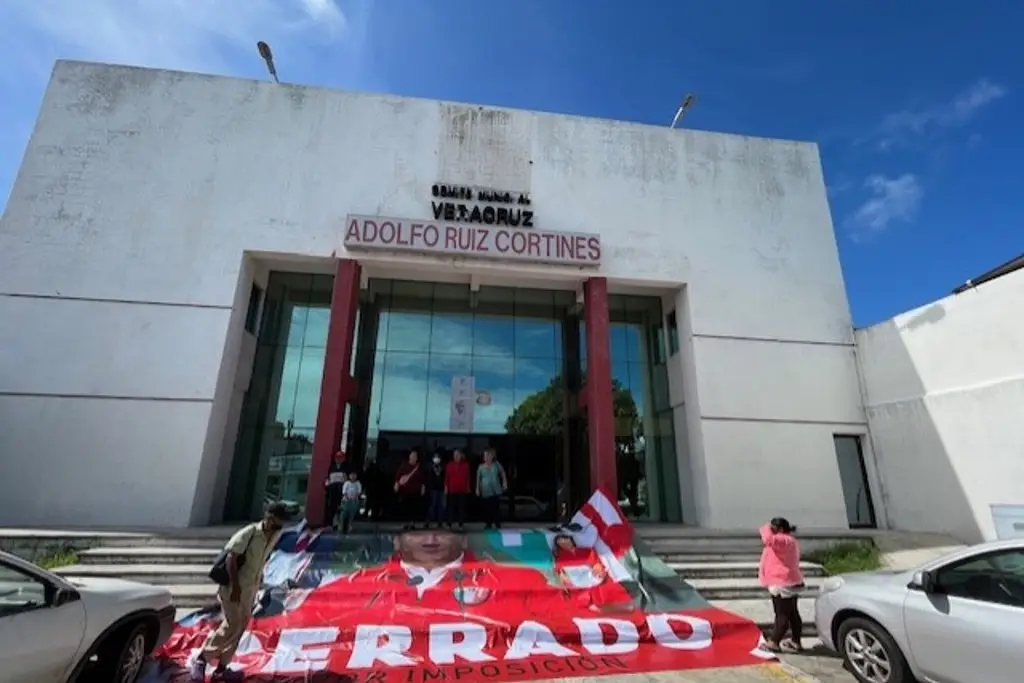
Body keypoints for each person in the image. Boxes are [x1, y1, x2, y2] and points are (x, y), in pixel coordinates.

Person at [190, 502, 290, 681]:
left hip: (250, 589)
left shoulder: (274, 535)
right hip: (233, 588)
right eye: (278, 519)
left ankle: (222, 668)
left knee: (241, 626)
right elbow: (231, 558)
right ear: (269, 517)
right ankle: (201, 659)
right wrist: (235, 587)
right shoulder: (250, 532)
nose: (281, 524)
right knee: (231, 625)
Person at [758, 516, 805, 653]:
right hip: (789, 581)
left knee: (782, 614)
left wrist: (766, 526)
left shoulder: (783, 540)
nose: (770, 531)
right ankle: (796, 641)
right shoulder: (788, 541)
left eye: (773, 529)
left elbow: (767, 539)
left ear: (779, 529)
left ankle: (774, 642)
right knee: (792, 614)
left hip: (782, 583)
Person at [476, 448, 507, 530]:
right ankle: (488, 523)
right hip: (486, 491)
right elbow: (478, 478)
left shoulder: (496, 464)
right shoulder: (481, 467)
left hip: (495, 490)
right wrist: (477, 489)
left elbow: (502, 473)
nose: (485, 457)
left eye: (487, 455)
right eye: (484, 456)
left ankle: (497, 523)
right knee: (487, 508)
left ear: (490, 456)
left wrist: (504, 482)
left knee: (496, 508)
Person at [394, 449, 424, 529]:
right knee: (406, 508)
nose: (413, 457)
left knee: (414, 508)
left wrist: (422, 487)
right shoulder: (404, 465)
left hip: (415, 491)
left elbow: (422, 479)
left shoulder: (419, 467)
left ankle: (412, 523)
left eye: (415, 456)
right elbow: (398, 476)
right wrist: (396, 485)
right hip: (406, 491)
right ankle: (406, 523)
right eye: (412, 456)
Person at [444, 448, 471, 529]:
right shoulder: (449, 465)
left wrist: (468, 487)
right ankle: (449, 524)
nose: (456, 456)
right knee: (450, 508)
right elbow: (446, 478)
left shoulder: (465, 465)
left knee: (461, 508)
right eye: (454, 455)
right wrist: (445, 487)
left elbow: (468, 478)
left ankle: (461, 524)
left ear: (460, 455)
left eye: (457, 455)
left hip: (462, 489)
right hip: (452, 489)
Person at [323, 450, 349, 528]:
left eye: (340, 458)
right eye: (337, 458)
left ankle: (341, 524)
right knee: (331, 507)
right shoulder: (332, 467)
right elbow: (328, 478)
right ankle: (330, 523)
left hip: (341, 490)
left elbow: (348, 479)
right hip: (332, 490)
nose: (338, 459)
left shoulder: (346, 467)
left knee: (342, 508)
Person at [426, 450, 446, 528]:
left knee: (441, 506)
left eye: (438, 457)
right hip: (433, 489)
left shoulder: (443, 467)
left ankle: (440, 522)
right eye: (435, 457)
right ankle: (428, 521)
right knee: (432, 506)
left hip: (441, 489)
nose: (436, 459)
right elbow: (428, 478)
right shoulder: (430, 467)